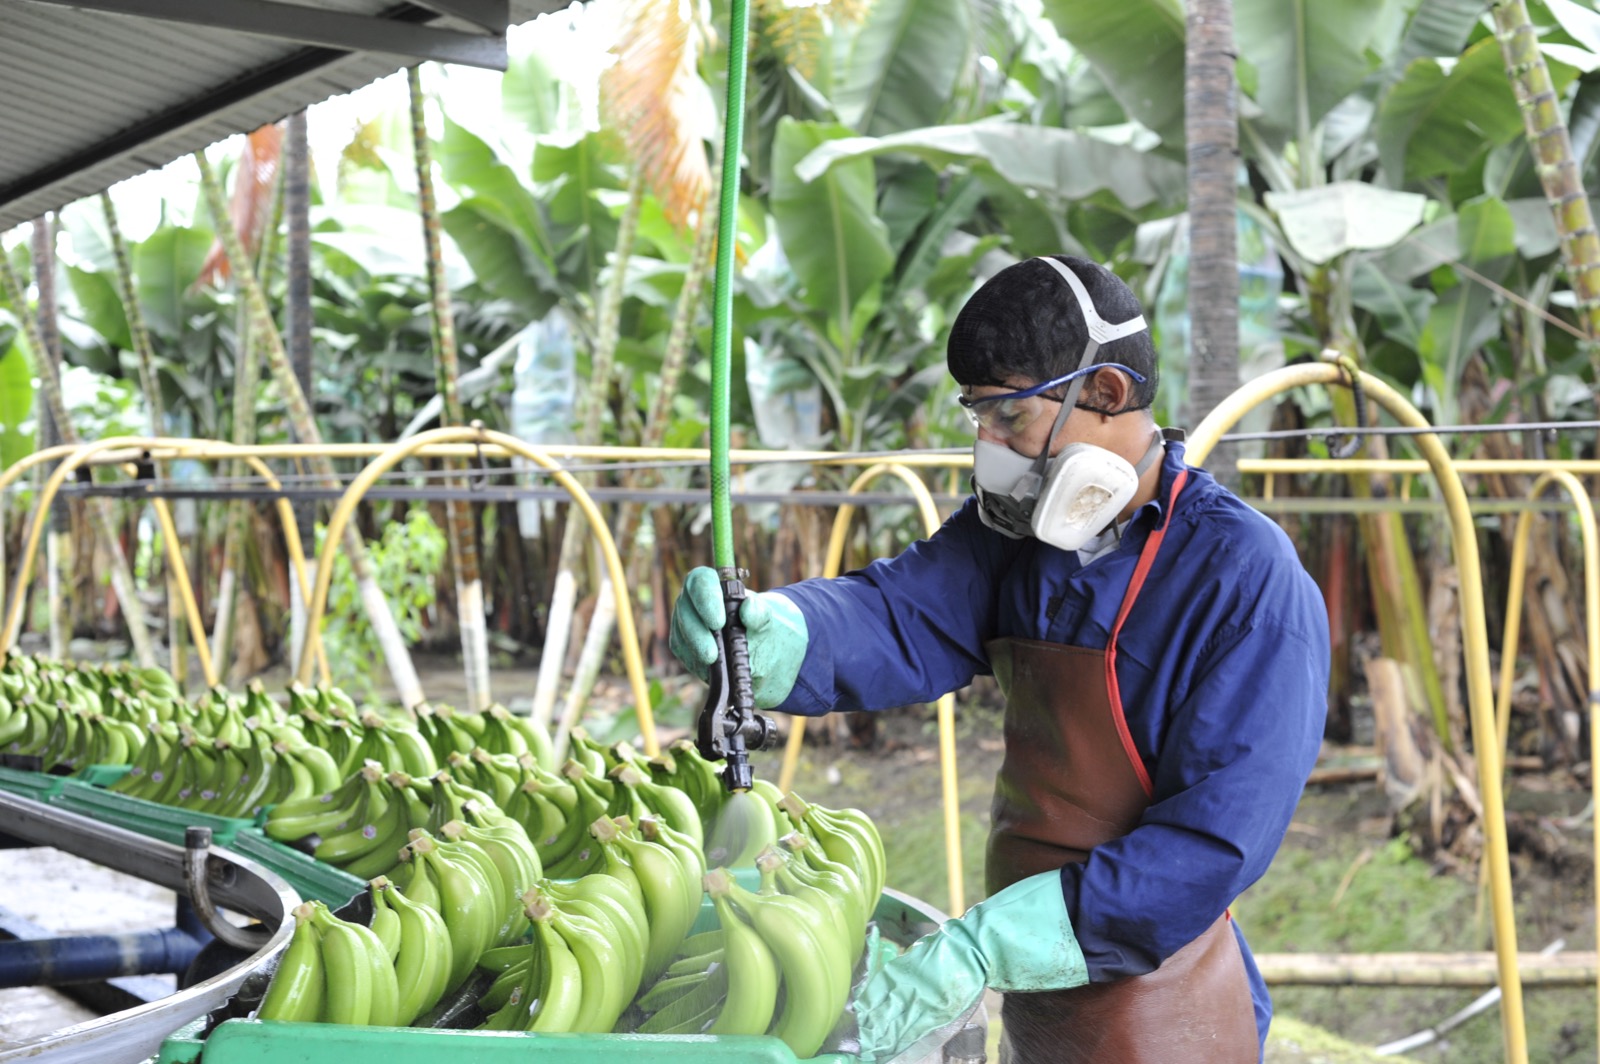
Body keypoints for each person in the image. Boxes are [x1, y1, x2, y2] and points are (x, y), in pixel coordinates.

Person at [670, 255, 1330, 1063]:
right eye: (974, 415)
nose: (988, 446)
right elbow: (900, 612)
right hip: (1039, 1001)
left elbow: (1208, 849)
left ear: (1106, 394)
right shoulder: (1016, 539)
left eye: (1006, 417)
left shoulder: (1244, 578)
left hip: (1166, 1009)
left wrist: (986, 947)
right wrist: (779, 630)